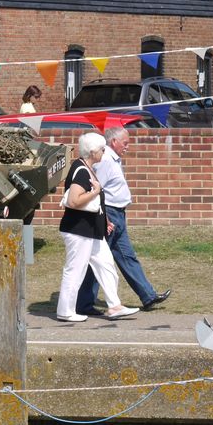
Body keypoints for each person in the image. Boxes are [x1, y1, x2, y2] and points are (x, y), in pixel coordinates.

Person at [77, 126, 171, 313]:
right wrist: (104, 217)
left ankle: (148, 296)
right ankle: (83, 303)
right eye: (125, 143)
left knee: (127, 257)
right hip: (110, 213)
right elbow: (97, 189)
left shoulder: (113, 159)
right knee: (99, 259)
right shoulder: (106, 161)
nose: (128, 147)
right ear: (114, 142)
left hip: (118, 213)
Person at [56, 132, 139, 322]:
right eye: (102, 149)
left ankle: (114, 306)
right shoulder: (81, 171)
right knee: (75, 270)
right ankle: (65, 311)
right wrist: (95, 192)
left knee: (106, 266)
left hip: (92, 230)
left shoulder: (89, 168)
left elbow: (94, 203)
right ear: (93, 152)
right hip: (79, 231)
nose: (104, 152)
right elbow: (74, 201)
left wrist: (104, 219)